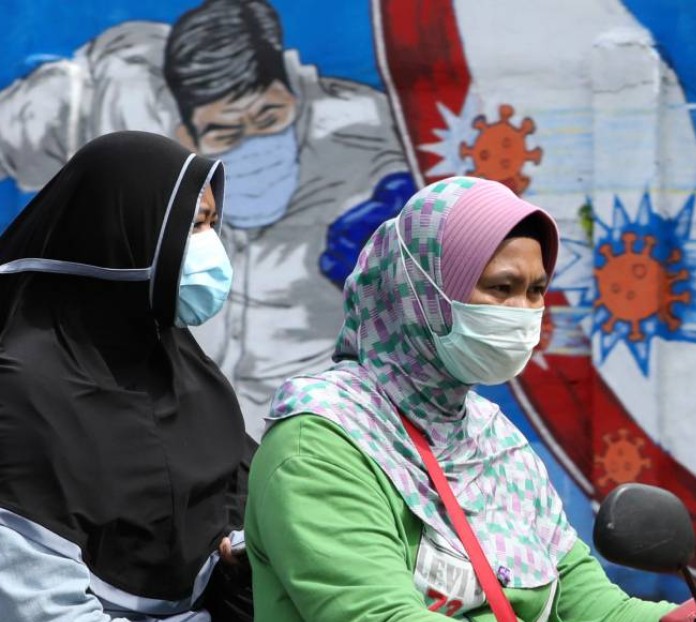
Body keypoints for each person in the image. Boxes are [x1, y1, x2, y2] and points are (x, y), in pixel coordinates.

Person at [245, 176, 681, 622]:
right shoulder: (320, 441)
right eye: (501, 288)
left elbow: (595, 614)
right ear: (421, 292)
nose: (523, 313)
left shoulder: (494, 440)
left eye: (536, 291)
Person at [0, 0, 414, 438]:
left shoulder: (365, 132)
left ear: (292, 91)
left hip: (298, 413)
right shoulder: (110, 92)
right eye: (225, 132)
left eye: (270, 118)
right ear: (187, 133)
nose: (254, 143)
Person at [0, 131, 255, 622]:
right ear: (122, 234)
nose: (210, 246)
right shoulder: (21, 392)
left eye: (212, 224)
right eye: (193, 225)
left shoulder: (177, 359)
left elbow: (238, 504)